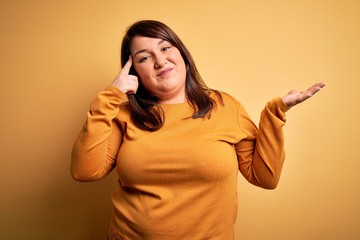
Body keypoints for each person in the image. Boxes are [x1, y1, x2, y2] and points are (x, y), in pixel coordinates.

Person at [71, 20, 325, 240]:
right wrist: (111, 96)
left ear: (181, 53)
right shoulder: (124, 115)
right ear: (133, 71)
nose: (160, 61)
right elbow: (85, 171)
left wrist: (274, 113)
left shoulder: (225, 107)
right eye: (144, 57)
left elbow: (265, 178)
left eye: (165, 47)